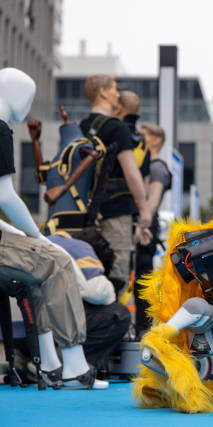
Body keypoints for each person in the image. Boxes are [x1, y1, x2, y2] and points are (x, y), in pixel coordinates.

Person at [0, 67, 108, 389]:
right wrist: (36, 235)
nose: (29, 105)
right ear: (14, 94)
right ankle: (75, 368)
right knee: (57, 262)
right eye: (28, 97)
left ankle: (50, 365)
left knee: (36, 271)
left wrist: (20, 234)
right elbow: (4, 196)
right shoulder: (0, 129)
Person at [79, 75, 151, 295]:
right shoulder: (117, 128)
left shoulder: (82, 126)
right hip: (116, 210)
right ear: (102, 92)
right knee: (116, 274)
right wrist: (144, 209)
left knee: (87, 270)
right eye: (114, 89)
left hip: (85, 212)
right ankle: (111, 314)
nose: (117, 94)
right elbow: (131, 171)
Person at [48, 229, 130, 370]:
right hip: (48, 325)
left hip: (22, 330)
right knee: (119, 315)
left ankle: (36, 359)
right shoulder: (80, 247)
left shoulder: (48, 239)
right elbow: (99, 292)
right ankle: (67, 366)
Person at [134, 123, 171, 337]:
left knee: (143, 278)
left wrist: (143, 225)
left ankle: (143, 327)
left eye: (144, 136)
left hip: (146, 227)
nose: (139, 140)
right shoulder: (149, 166)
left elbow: (153, 201)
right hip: (144, 225)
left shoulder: (156, 167)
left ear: (156, 140)